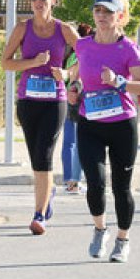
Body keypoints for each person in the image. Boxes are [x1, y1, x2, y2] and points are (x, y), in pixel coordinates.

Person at [67, 0, 140, 263]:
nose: (102, 16)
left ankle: (123, 240)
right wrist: (74, 88)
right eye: (98, 10)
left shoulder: (128, 48)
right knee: (94, 182)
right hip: (90, 122)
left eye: (108, 11)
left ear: (120, 16)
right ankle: (100, 229)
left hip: (122, 124)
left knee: (121, 187)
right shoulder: (83, 45)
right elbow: (78, 76)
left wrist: (119, 81)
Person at [2, 0, 77, 234]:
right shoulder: (22, 29)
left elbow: (86, 56)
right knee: (36, 157)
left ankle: (39, 214)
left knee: (44, 155)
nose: (38, 1)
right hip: (28, 101)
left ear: (53, 0)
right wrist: (33, 63)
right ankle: (48, 192)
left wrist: (67, 74)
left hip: (54, 102)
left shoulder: (64, 30)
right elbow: (6, 62)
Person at [59, 23, 91, 195]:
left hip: (66, 97)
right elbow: (77, 76)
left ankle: (69, 179)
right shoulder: (81, 55)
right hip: (77, 98)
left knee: (69, 141)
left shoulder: (68, 55)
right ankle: (74, 181)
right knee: (78, 142)